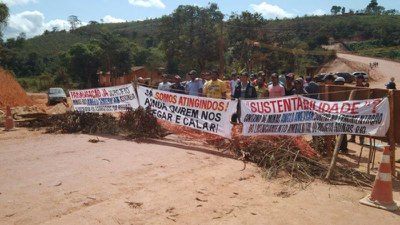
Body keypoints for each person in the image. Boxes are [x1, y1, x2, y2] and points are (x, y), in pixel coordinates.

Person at [334, 76, 349, 153]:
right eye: (337, 83)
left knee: (342, 132)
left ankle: (343, 148)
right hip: (337, 114)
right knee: (338, 131)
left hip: (343, 114)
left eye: (340, 83)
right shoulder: (335, 91)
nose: (338, 85)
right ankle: (340, 147)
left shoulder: (345, 91)